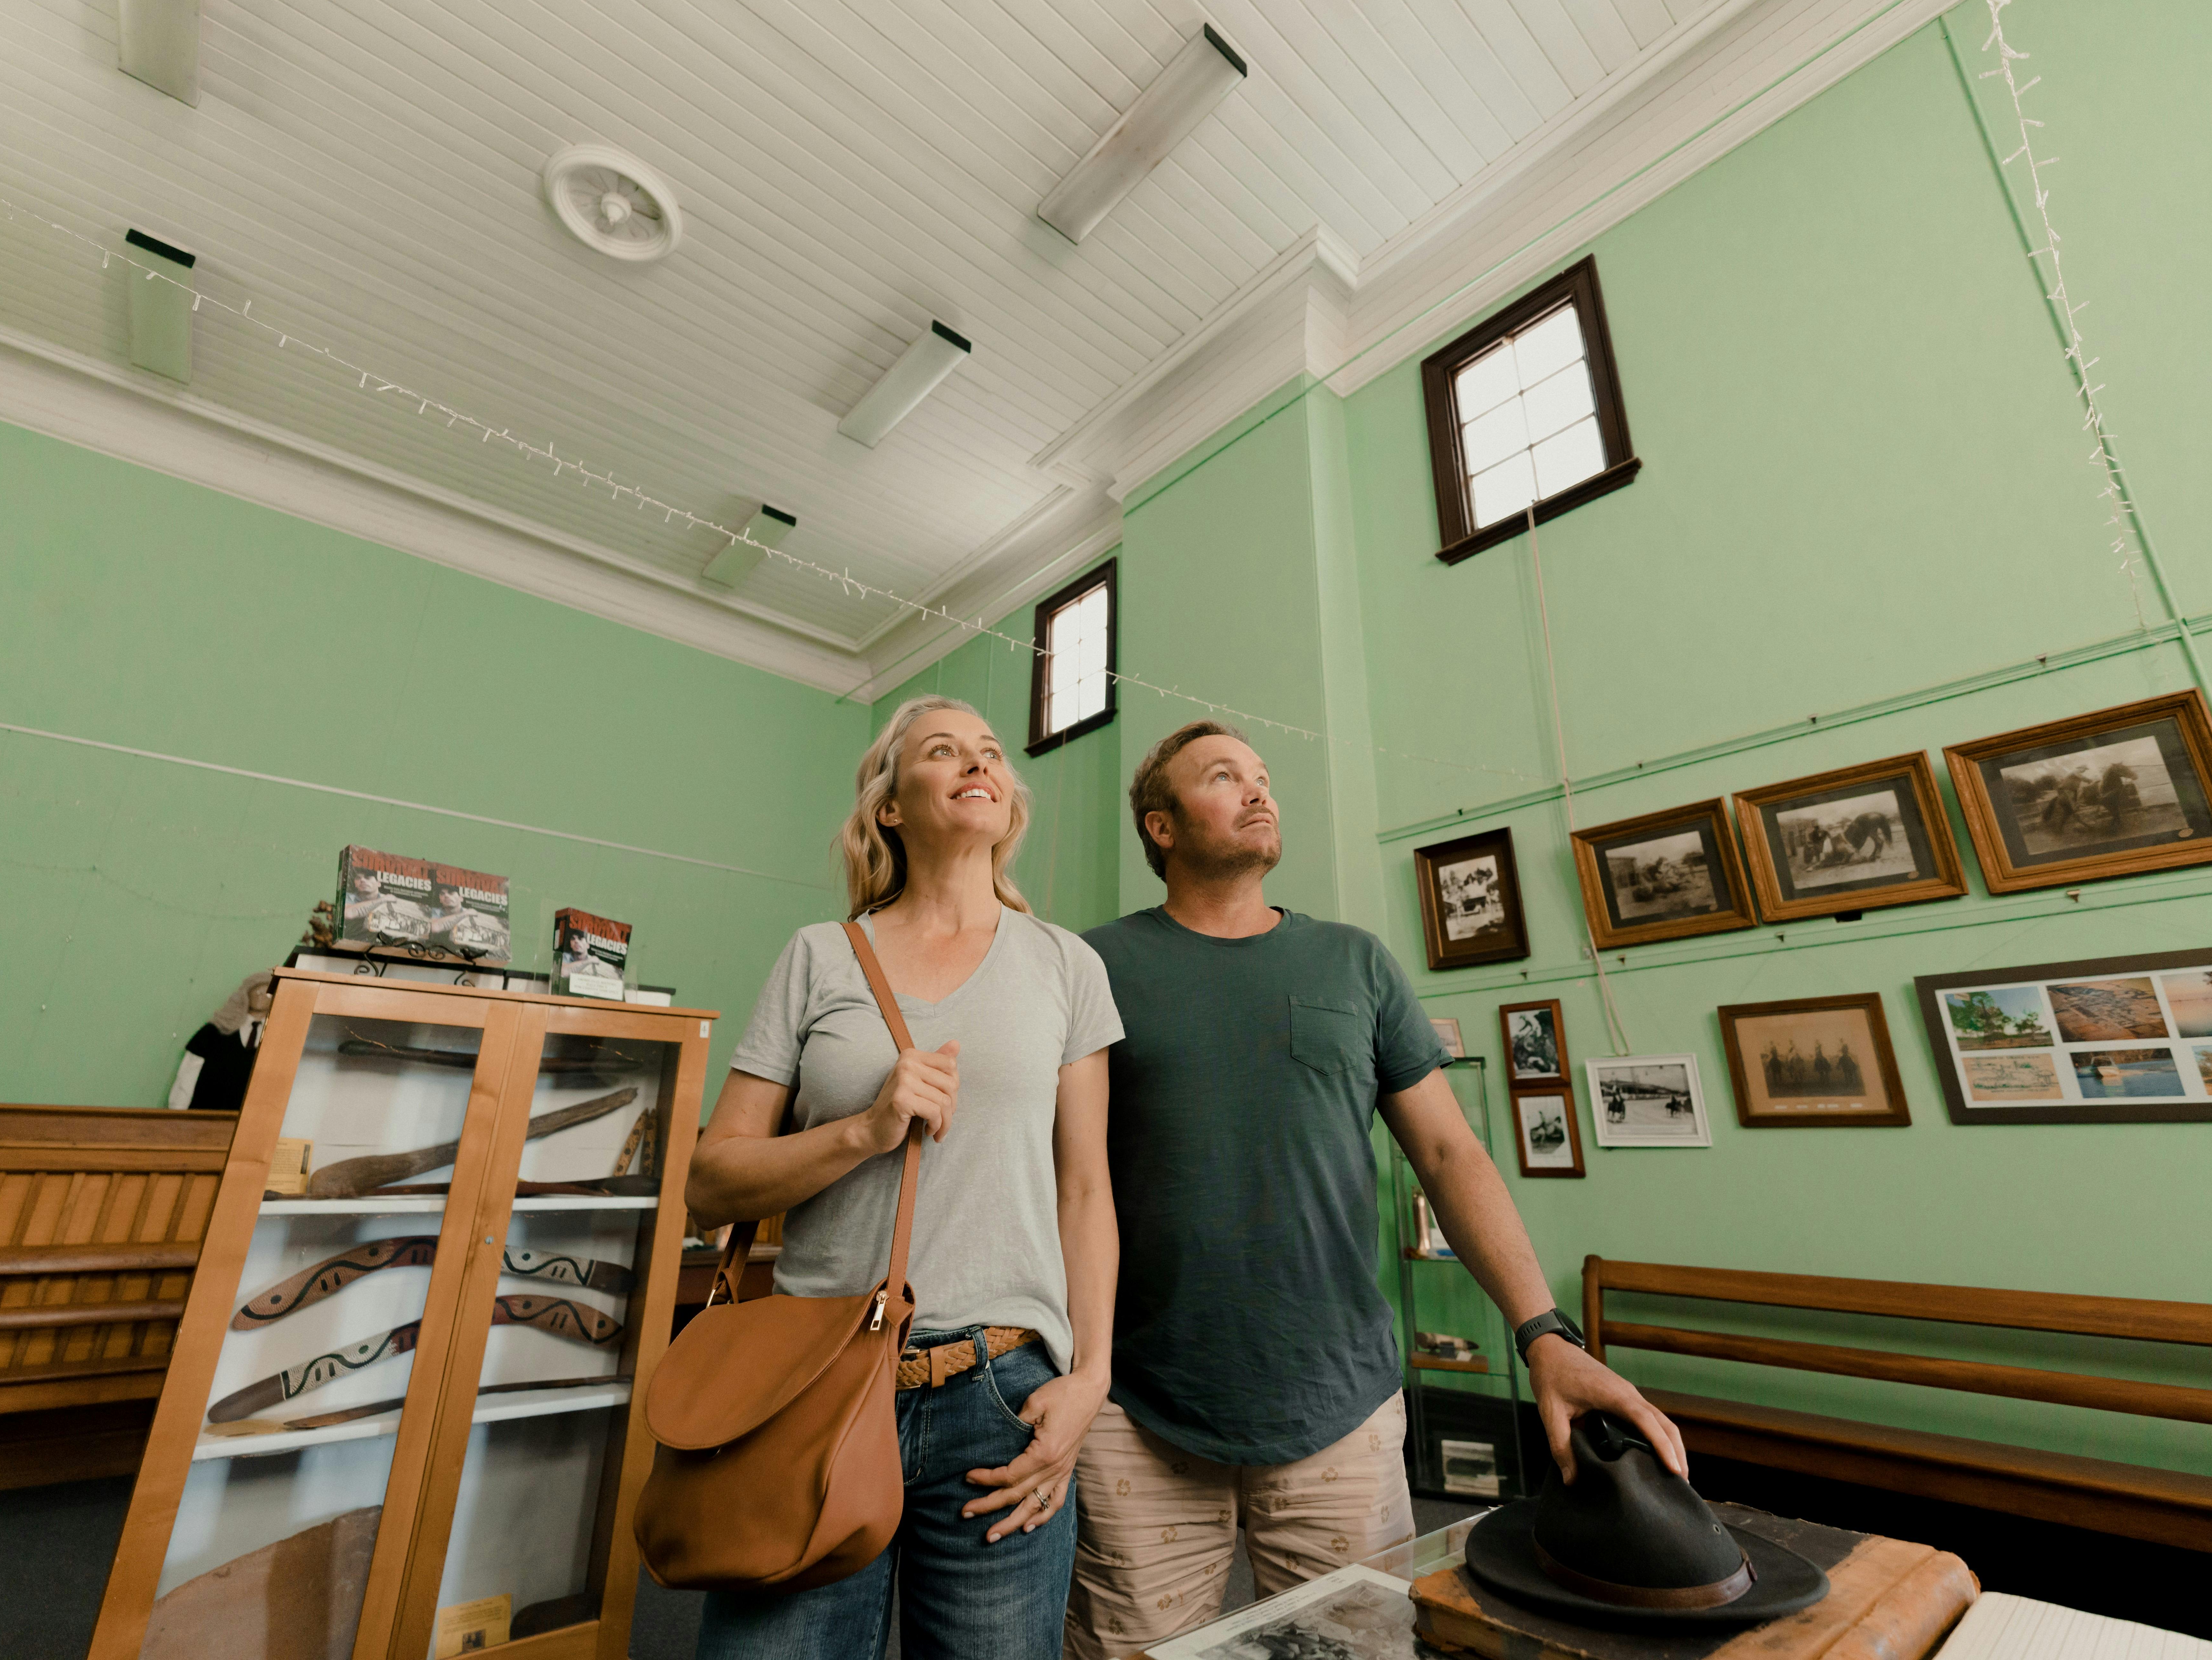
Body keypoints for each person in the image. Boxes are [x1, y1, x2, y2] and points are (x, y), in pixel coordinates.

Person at [1067, 721, 1687, 1659]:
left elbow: (1449, 1154)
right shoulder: (1095, 966)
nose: (1258, 790)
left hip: (1336, 1406)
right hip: (1136, 1407)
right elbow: (1064, 1179)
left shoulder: (1353, 962)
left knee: (1361, 1652)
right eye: (1224, 776)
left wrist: (1543, 1333)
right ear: (1160, 825)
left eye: (1263, 775)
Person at [682, 696, 1122, 1660]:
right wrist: (863, 1130)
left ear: (1008, 800)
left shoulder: (1067, 965)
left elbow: (1086, 1191)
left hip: (1002, 1397)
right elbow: (710, 1186)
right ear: (890, 806)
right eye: (942, 751)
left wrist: (1090, 1378)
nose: (977, 763)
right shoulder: (819, 956)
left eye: (991, 753)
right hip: (813, 1384)